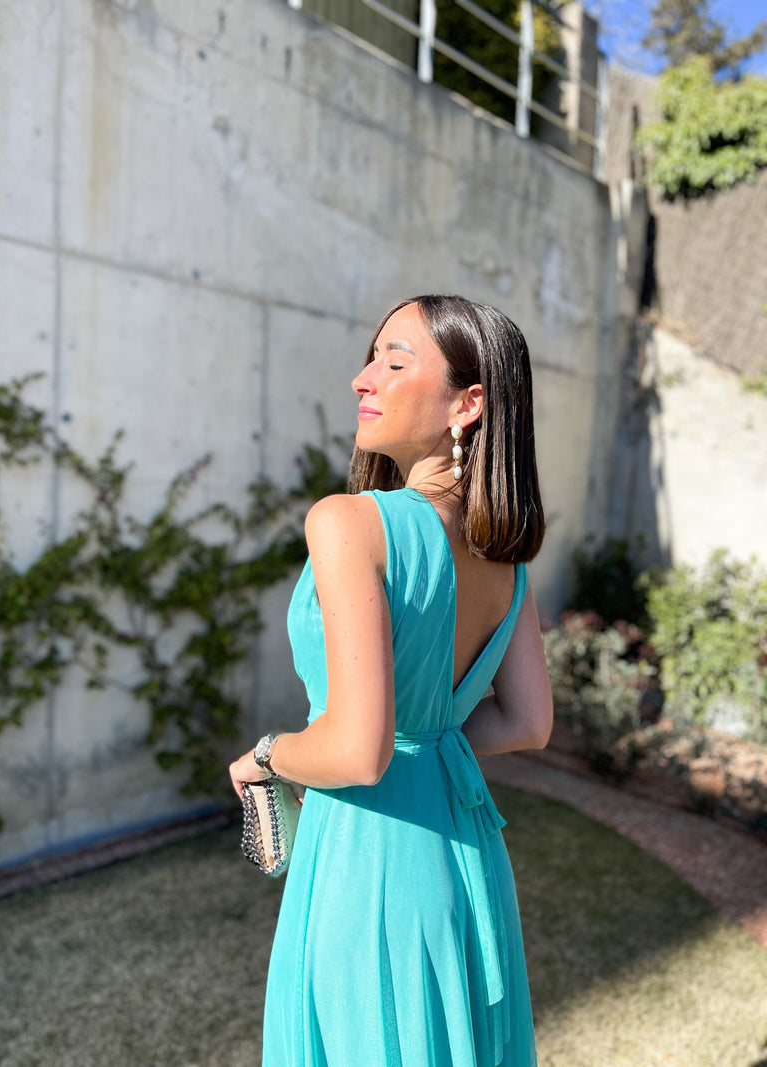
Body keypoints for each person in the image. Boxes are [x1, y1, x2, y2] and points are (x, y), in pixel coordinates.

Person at [229, 294, 553, 1067]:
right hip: (462, 853)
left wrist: (269, 754)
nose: (362, 378)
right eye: (372, 356)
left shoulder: (349, 522)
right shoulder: (502, 556)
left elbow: (356, 752)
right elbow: (528, 722)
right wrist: (428, 741)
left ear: (468, 404)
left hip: (370, 860)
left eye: (394, 361)